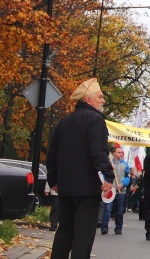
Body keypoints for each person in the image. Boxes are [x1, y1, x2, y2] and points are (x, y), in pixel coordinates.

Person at [46, 77, 114, 259]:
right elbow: (98, 151)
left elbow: (52, 153)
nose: (103, 100)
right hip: (87, 188)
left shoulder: (64, 122)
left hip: (66, 188)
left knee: (64, 231)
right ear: (88, 99)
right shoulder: (96, 120)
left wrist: (53, 180)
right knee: (83, 234)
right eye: (99, 97)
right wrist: (108, 177)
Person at [101, 144, 130, 235]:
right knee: (108, 209)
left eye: (121, 152)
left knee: (119, 210)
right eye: (119, 152)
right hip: (110, 190)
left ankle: (118, 228)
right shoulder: (108, 163)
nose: (121, 153)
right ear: (113, 153)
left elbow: (127, 177)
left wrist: (122, 184)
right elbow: (103, 175)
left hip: (121, 191)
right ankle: (104, 227)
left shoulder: (125, 164)